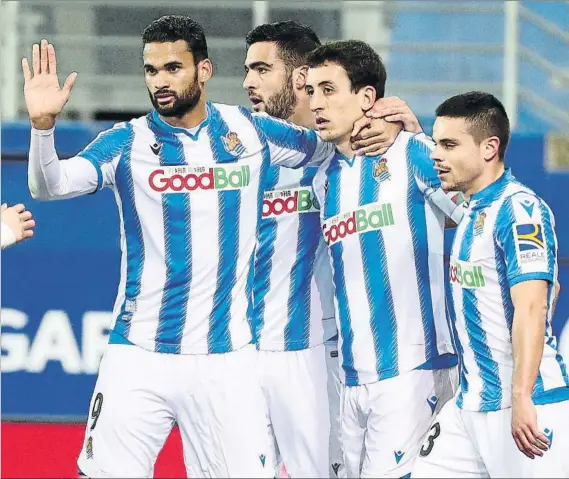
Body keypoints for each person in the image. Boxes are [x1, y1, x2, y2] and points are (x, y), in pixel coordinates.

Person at [22, 15, 346, 478]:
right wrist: (41, 128)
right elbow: (49, 185)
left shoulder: (251, 132)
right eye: (151, 71)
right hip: (139, 354)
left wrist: (393, 122)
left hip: (225, 358)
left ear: (205, 70)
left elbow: (330, 143)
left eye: (173, 68)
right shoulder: (125, 142)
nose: (160, 81)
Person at [243, 21, 419, 478]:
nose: (248, 82)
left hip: (324, 356)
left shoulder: (359, 151)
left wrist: (403, 125)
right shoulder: (251, 151)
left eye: (262, 70)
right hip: (241, 353)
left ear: (298, 78)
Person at [306, 40, 465, 478]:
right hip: (352, 379)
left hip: (413, 371)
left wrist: (419, 135)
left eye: (328, 89)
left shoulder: (413, 153)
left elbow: (475, 216)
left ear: (367, 98)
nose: (316, 103)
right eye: (312, 91)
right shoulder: (324, 180)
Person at [413, 91, 569, 478]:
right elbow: (548, 293)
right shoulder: (470, 211)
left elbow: (532, 307)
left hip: (526, 404)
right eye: (435, 143)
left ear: (489, 148)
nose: (436, 154)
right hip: (469, 406)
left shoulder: (519, 210)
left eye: (449, 145)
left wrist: (521, 397)